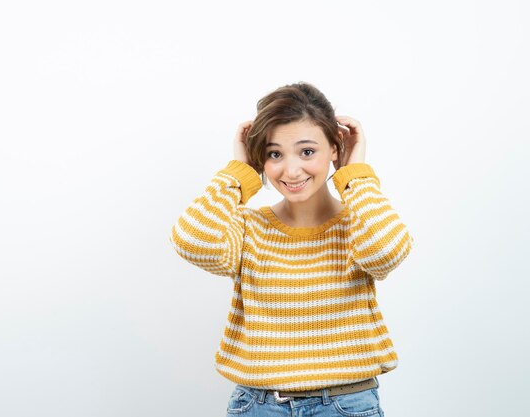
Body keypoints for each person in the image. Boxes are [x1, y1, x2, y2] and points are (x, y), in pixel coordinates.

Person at [170, 82, 414, 417]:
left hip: (346, 405)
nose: (291, 170)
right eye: (274, 154)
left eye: (307, 151)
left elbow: (386, 253)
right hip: (258, 405)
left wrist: (354, 174)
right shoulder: (248, 227)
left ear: (335, 147)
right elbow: (192, 239)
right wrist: (239, 173)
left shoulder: (359, 224)